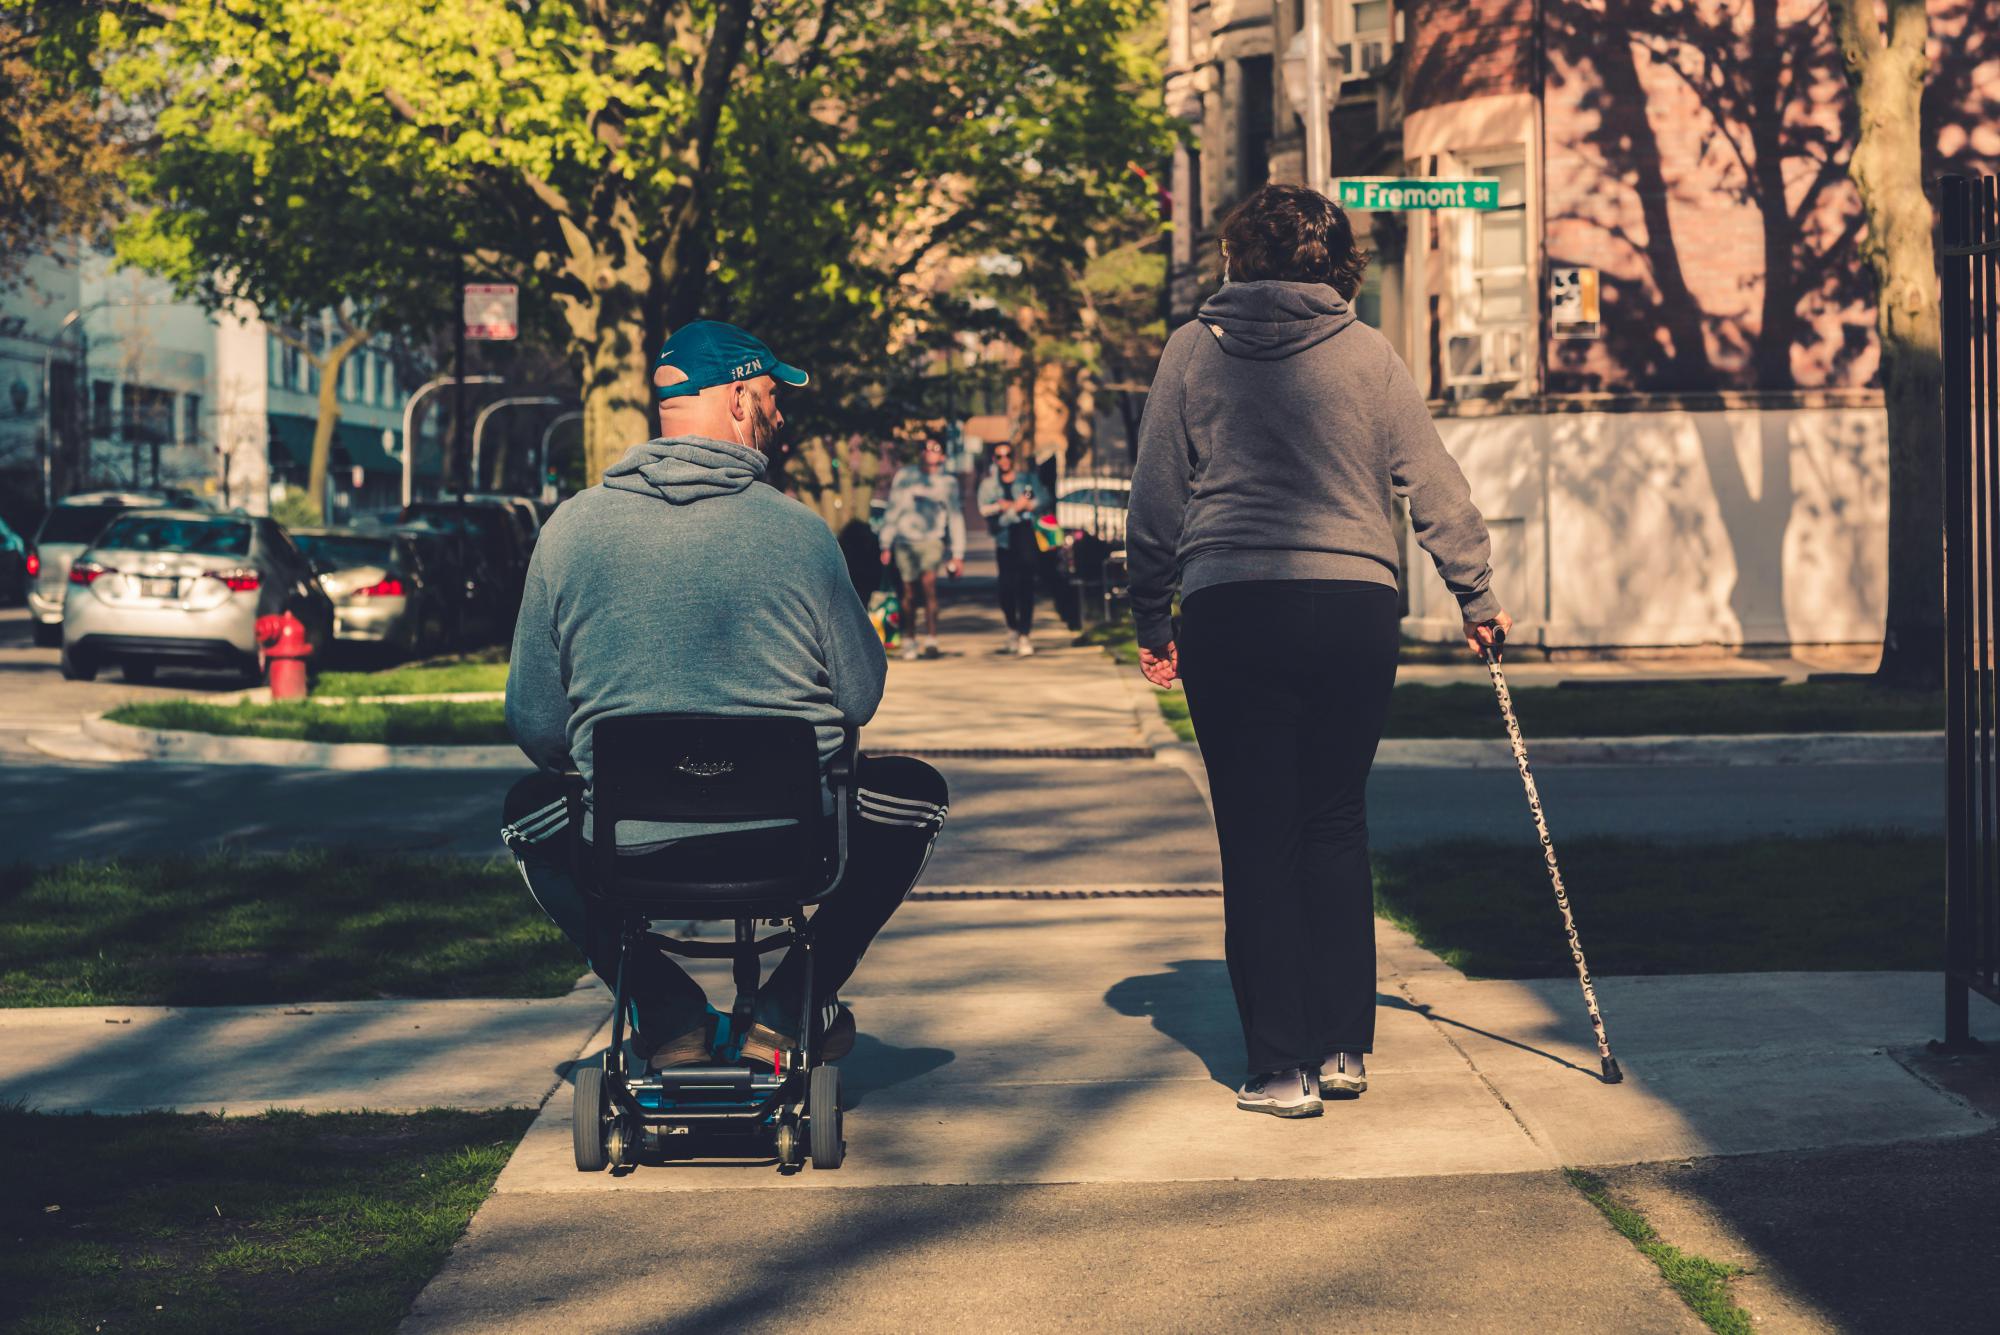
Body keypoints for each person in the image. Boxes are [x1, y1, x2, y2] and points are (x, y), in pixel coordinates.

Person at [1126, 184, 1511, 1120]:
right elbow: (1435, 483)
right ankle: (1343, 1044)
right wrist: (1476, 594)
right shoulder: (1370, 353)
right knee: (1335, 820)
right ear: (1336, 264)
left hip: (1232, 604)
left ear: (1234, 258)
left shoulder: (1190, 351)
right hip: (1351, 607)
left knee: (1258, 830)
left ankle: (1279, 1066)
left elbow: (1154, 502)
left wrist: (1151, 617)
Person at [503, 319, 949, 1071]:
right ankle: (787, 1009)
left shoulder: (569, 530)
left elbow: (536, 722)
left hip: (627, 845)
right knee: (916, 794)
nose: (781, 415)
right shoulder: (802, 535)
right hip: (788, 841)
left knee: (527, 813)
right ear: (740, 400)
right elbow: (861, 694)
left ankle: (668, 1011)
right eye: (773, 396)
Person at [878, 438, 966, 659]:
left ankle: (932, 639)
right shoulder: (906, 476)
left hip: (931, 540)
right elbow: (893, 508)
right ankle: (909, 639)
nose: (929, 452)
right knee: (908, 593)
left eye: (935, 449)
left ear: (942, 456)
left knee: (928, 587)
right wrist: (885, 543)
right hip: (904, 540)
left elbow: (955, 517)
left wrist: (958, 554)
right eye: (925, 448)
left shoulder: (948, 483)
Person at [975, 443, 1053, 655]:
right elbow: (984, 509)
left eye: (1007, 455)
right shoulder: (989, 485)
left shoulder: (1027, 478)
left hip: (1027, 536)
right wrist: (1011, 508)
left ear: (1013, 457)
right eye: (999, 456)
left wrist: (1027, 505)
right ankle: (1012, 628)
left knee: (1026, 586)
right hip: (1004, 539)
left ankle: (1025, 634)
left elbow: (1045, 499)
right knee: (1006, 587)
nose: (1004, 460)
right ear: (994, 460)